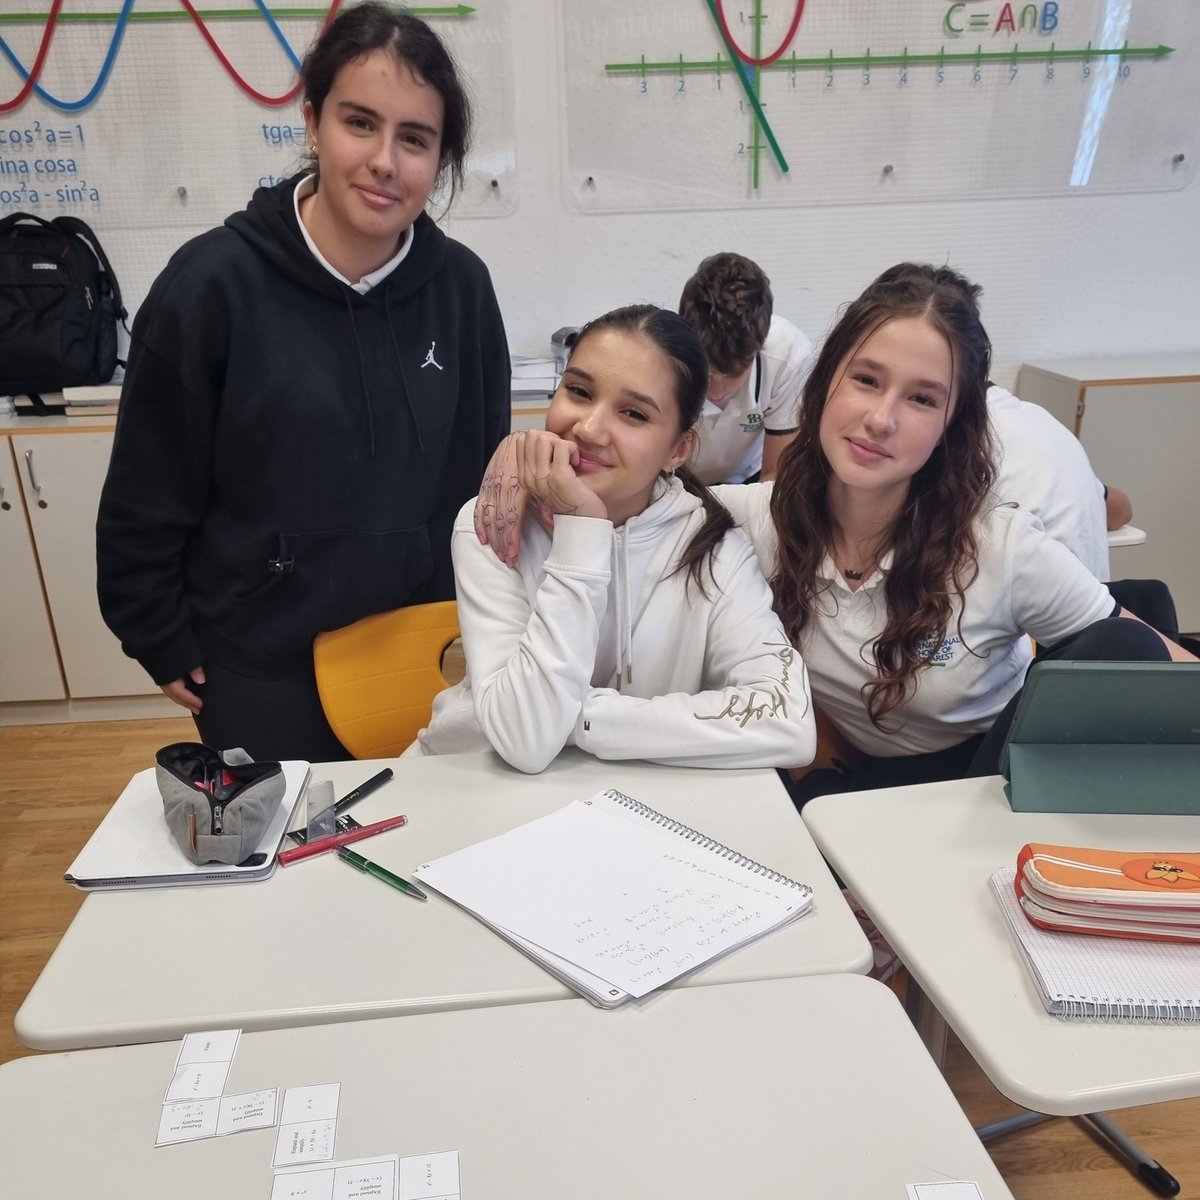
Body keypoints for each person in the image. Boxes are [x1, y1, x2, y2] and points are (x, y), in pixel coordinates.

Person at [473, 265, 1193, 802]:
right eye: (866, 380)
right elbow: (646, 486)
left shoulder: (1002, 547)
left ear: (951, 424)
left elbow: (1142, 660)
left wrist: (577, 715)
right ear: (825, 386)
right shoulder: (760, 517)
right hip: (854, 785)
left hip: (987, 781)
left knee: (1122, 641)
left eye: (920, 398)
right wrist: (532, 455)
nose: (881, 418)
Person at [96, 3, 510, 762]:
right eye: (360, 123)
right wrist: (156, 633)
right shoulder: (211, 286)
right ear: (314, 122)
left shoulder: (463, 291)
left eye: (414, 140)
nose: (385, 161)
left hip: (420, 655)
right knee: (291, 868)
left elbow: (482, 486)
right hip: (261, 664)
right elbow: (145, 492)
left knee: (420, 856)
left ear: (440, 159)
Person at [411, 304, 815, 774]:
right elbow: (524, 741)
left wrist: (578, 715)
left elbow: (788, 721)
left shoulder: (713, 548)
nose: (588, 428)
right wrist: (582, 530)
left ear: (679, 449)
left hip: (623, 804)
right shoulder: (496, 522)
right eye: (578, 391)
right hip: (464, 784)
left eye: (633, 413)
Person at [678, 252, 814, 484]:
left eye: (734, 374)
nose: (718, 392)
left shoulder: (790, 357)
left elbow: (774, 476)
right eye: (708, 374)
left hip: (750, 476)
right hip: (676, 478)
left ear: (759, 348)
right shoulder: (663, 354)